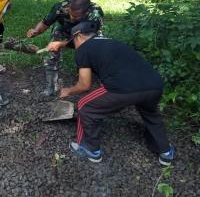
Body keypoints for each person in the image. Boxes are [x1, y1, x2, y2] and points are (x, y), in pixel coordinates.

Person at [56, 21, 174, 166]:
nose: (74, 45)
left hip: (123, 88)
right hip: (154, 84)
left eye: (73, 41)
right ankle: (165, 152)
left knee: (85, 105)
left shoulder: (83, 49)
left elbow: (84, 85)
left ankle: (89, 149)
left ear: (78, 36)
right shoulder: (109, 42)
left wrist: (68, 90)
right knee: (151, 114)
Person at [26, 0, 104, 96]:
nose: (71, 18)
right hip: (64, 31)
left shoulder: (95, 13)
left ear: (86, 12)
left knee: (94, 53)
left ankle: (94, 79)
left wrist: (61, 44)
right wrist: (36, 31)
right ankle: (51, 86)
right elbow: (45, 22)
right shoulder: (60, 7)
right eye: (70, 13)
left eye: (76, 16)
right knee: (51, 53)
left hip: (87, 36)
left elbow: (85, 38)